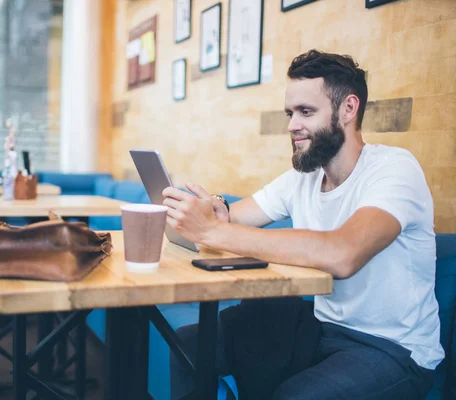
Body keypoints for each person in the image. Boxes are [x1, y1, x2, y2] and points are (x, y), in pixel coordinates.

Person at [163, 50, 443, 400]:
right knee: (188, 346)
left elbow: (343, 254)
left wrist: (213, 231)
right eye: (290, 113)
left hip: (391, 349)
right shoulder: (304, 176)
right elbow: (231, 218)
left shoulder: (394, 169)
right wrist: (215, 210)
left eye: (306, 112)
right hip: (319, 328)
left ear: (348, 109)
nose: (293, 124)